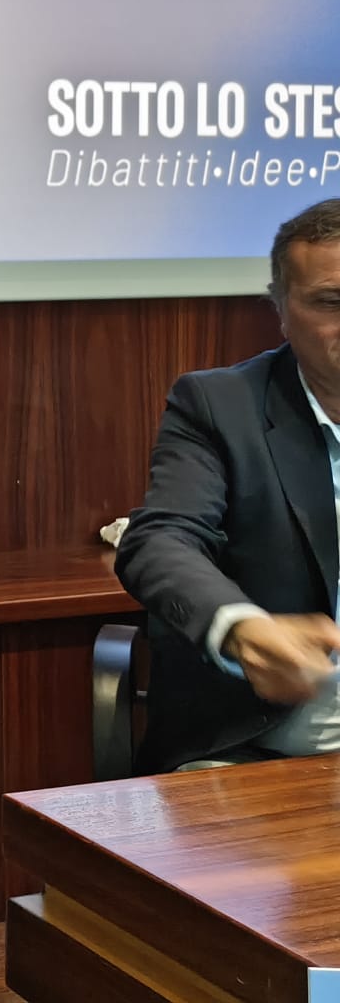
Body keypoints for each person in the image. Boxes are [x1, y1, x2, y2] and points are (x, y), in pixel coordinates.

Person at [115, 197, 340, 772]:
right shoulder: (220, 405)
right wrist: (244, 629)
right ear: (280, 309)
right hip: (259, 758)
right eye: (330, 302)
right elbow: (160, 540)